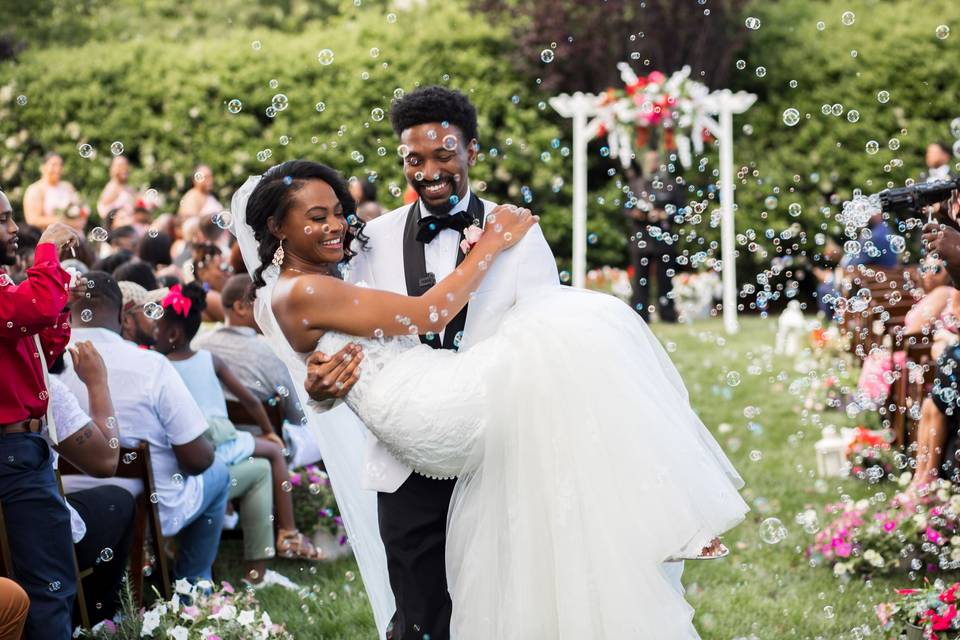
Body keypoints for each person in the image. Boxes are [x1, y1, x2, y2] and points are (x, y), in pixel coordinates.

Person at [234, 159, 746, 639]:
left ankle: (652, 530)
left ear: (469, 150)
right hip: (425, 411)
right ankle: (667, 525)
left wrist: (319, 389)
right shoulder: (303, 290)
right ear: (278, 227)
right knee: (581, 330)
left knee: (571, 361)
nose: (335, 227)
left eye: (339, 215)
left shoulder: (310, 278)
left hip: (429, 391)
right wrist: (491, 245)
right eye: (316, 218)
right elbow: (429, 314)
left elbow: (328, 365)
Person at [57, 271, 230, 583]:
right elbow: (196, 460)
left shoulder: (47, 362)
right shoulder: (151, 365)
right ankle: (193, 583)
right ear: (124, 315)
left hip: (64, 505)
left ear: (68, 308)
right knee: (218, 470)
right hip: (147, 509)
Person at [152, 282, 322, 585]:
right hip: (215, 440)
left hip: (189, 447)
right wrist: (270, 433)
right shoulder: (217, 357)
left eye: (157, 330)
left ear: (173, 333)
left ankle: (260, 549)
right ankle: (285, 535)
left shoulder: (164, 364)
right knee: (271, 453)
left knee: (260, 466)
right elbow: (254, 402)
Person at [0, 188, 81, 639]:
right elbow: (30, 310)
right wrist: (47, 247)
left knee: (47, 579)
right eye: (4, 220)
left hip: (23, 447)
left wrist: (61, 303)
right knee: (49, 584)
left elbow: (40, 350)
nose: (14, 230)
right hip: (11, 451)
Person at [46, 343, 135, 625]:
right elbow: (106, 461)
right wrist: (97, 383)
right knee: (118, 500)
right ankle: (97, 619)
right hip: (36, 539)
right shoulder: (39, 386)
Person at [194, 274, 305, 429]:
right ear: (240, 307)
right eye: (262, 304)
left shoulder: (197, 345)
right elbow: (297, 415)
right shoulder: (271, 351)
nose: (268, 312)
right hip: (269, 441)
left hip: (215, 436)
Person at [623, 150, 682, 322]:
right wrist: (636, 214)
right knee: (640, 280)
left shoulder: (669, 184)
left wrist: (663, 215)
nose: (652, 163)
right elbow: (625, 209)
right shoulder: (636, 185)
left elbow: (680, 210)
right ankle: (640, 316)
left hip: (663, 239)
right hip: (641, 238)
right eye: (649, 160)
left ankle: (668, 315)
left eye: (655, 160)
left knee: (666, 280)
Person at [23, 153, 84, 231]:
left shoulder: (68, 186)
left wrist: (80, 218)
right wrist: (66, 222)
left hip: (75, 233)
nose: (58, 168)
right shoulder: (35, 190)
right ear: (43, 167)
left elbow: (81, 207)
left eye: (60, 165)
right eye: (53, 165)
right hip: (50, 237)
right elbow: (32, 220)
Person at [190, 242, 230, 322]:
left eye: (227, 267)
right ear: (202, 273)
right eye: (222, 268)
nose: (228, 273)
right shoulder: (207, 296)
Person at [97, 156, 138, 229]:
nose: (124, 168)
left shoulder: (129, 188)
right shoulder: (112, 188)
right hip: (116, 230)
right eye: (120, 165)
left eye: (126, 165)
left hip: (130, 227)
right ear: (113, 169)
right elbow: (102, 209)